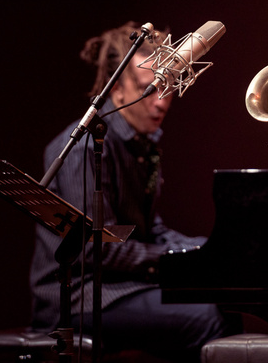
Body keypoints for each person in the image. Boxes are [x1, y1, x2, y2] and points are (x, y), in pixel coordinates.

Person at [29, 21, 235, 362]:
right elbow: (97, 248)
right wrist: (181, 260)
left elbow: (149, 231)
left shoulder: (144, 144)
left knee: (225, 308)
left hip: (122, 288)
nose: (162, 102)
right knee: (207, 318)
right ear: (117, 91)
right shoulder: (85, 149)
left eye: (165, 88)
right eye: (149, 88)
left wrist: (203, 248)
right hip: (78, 297)